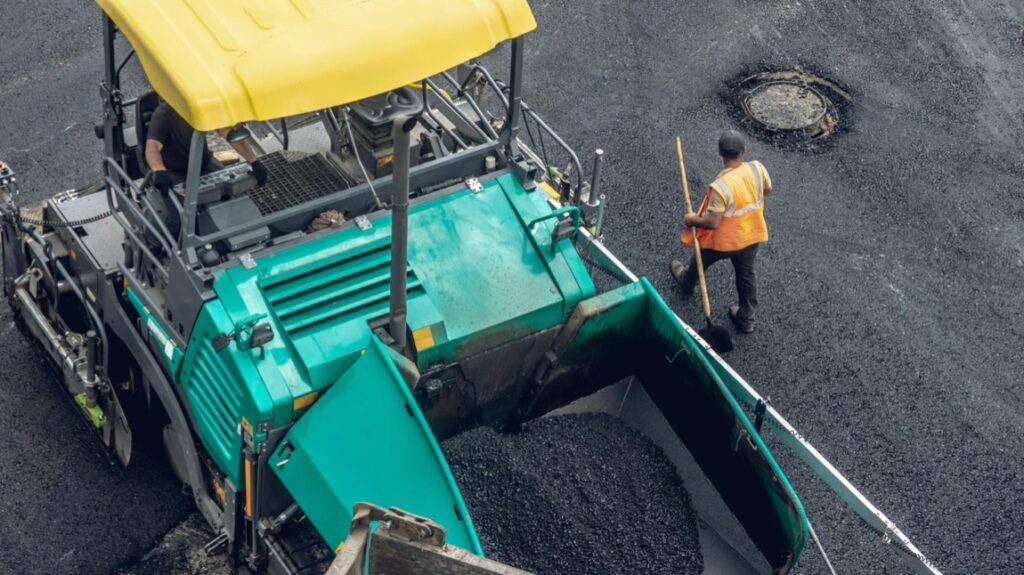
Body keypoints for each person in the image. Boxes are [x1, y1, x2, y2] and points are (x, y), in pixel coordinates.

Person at [670, 130, 772, 334]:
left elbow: (713, 222)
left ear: (719, 152)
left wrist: (692, 219)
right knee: (746, 275)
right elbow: (767, 190)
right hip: (751, 236)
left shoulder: (721, 187)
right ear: (744, 150)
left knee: (700, 260)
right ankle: (746, 318)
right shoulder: (758, 169)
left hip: (723, 242)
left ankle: (686, 283)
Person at [144, 100, 266, 235]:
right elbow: (152, 147)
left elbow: (228, 132)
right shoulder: (163, 115)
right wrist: (159, 170)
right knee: (179, 221)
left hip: (205, 163)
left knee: (235, 198)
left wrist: (254, 161)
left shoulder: (202, 106)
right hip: (175, 172)